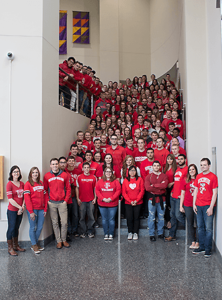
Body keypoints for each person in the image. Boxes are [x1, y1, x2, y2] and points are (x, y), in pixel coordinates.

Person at [192, 158, 218, 258]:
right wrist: (194, 204)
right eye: (201, 165)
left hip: (208, 206)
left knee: (209, 229)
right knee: (200, 228)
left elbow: (215, 193)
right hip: (199, 205)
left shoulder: (213, 177)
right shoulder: (198, 176)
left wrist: (211, 207)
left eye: (204, 165)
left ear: (209, 166)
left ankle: (208, 249)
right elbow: (196, 190)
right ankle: (201, 247)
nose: (202, 167)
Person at [44, 158, 71, 249]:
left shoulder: (64, 175)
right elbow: (45, 190)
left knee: (64, 222)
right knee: (55, 223)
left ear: (58, 165)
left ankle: (64, 240)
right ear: (50, 165)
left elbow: (68, 188)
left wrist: (66, 200)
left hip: (62, 202)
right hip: (52, 203)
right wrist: (48, 200)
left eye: (56, 164)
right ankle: (58, 241)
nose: (55, 166)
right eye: (53, 164)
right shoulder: (47, 176)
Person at [24, 167, 48, 254]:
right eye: (33, 172)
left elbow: (45, 196)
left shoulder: (41, 183)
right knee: (33, 227)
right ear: (30, 174)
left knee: (40, 227)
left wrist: (45, 209)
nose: (35, 174)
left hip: (41, 209)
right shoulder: (27, 184)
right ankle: (34, 245)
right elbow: (27, 199)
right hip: (33, 209)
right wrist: (31, 212)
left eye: (36, 172)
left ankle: (34, 244)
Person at [165, 154, 188, 241]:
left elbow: (187, 184)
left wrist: (183, 195)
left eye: (182, 159)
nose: (180, 160)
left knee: (178, 215)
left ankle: (191, 230)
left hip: (179, 196)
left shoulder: (187, 170)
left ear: (185, 160)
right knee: (172, 215)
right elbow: (176, 182)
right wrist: (172, 191)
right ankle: (172, 235)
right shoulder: (178, 169)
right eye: (179, 159)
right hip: (173, 195)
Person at [145, 161, 168, 241]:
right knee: (151, 217)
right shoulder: (148, 177)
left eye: (158, 165)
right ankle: (151, 234)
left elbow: (164, 185)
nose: (156, 167)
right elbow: (147, 188)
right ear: (152, 167)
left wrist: (154, 186)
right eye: (154, 165)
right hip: (152, 200)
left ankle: (160, 233)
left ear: (160, 167)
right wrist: (160, 186)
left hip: (162, 199)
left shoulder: (164, 176)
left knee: (161, 217)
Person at [96, 167, 121, 240]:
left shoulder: (116, 181)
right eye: (107, 171)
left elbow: (118, 191)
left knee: (111, 219)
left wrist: (111, 198)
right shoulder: (100, 181)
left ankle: (111, 234)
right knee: (104, 219)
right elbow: (97, 191)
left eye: (110, 172)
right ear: (104, 172)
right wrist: (103, 198)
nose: (108, 173)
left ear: (112, 173)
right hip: (102, 203)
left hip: (112, 204)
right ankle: (106, 233)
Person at [6, 166, 25, 256]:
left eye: (18, 171)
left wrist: (22, 206)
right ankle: (10, 248)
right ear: (11, 174)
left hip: (20, 210)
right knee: (11, 228)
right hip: (12, 210)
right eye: (14, 172)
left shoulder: (22, 184)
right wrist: (19, 207)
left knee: (16, 228)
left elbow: (25, 197)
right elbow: (10, 199)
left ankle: (16, 245)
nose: (16, 173)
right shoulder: (9, 184)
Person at [122, 166, 145, 240]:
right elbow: (124, 192)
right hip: (128, 203)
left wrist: (136, 200)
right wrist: (130, 201)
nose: (132, 172)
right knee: (129, 218)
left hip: (138, 202)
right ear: (128, 172)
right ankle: (130, 232)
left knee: (136, 218)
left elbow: (142, 191)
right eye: (131, 170)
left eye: (134, 170)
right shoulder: (125, 180)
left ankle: (135, 232)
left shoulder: (140, 179)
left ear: (136, 171)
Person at [180, 164, 199, 249]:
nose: (191, 171)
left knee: (198, 223)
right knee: (190, 223)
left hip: (198, 204)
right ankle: (193, 241)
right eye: (190, 170)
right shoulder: (185, 180)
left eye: (193, 169)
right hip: (187, 205)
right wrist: (181, 206)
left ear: (196, 170)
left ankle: (198, 242)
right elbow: (182, 193)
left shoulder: (199, 179)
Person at [76, 162, 97, 238]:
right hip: (82, 200)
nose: (86, 169)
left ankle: (90, 231)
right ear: (82, 169)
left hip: (91, 200)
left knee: (91, 216)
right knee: (82, 216)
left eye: (88, 167)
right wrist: (77, 198)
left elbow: (95, 189)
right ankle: (83, 232)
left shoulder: (94, 177)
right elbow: (77, 188)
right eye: (85, 167)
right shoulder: (79, 177)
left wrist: (95, 198)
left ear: (90, 168)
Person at [65, 156, 81, 237]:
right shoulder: (65, 171)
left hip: (74, 195)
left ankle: (74, 230)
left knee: (75, 214)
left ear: (75, 162)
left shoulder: (78, 171)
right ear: (67, 162)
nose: (71, 162)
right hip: (66, 197)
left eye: (73, 161)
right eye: (69, 161)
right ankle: (68, 230)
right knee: (67, 214)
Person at [164, 154, 177, 229]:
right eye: (168, 159)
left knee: (171, 206)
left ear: (173, 160)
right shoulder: (165, 168)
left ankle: (171, 222)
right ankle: (168, 221)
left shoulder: (175, 168)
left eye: (171, 159)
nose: (169, 160)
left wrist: (172, 183)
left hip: (173, 188)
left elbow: (178, 180)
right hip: (166, 189)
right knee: (166, 205)